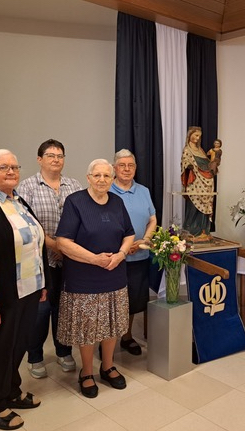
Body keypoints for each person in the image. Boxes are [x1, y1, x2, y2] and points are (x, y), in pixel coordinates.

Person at [0, 149, 48, 431]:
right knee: (2, 347)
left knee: (20, 343)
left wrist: (43, 283)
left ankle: (12, 391)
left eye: (15, 166)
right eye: (3, 167)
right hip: (5, 291)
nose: (11, 171)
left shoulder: (19, 200)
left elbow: (36, 244)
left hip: (30, 286)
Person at [56, 159, 135, 399]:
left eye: (106, 176)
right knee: (87, 329)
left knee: (112, 325)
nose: (102, 180)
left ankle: (108, 366)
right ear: (88, 177)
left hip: (114, 275)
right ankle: (87, 372)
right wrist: (94, 259)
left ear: (112, 179)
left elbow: (129, 234)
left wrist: (120, 255)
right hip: (84, 279)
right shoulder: (75, 202)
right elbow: (63, 242)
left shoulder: (117, 202)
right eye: (97, 175)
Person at [17, 139, 82, 378]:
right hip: (39, 261)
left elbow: (82, 219)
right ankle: (34, 357)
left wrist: (68, 248)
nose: (56, 159)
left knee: (64, 308)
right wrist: (55, 245)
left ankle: (64, 351)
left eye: (60, 155)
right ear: (39, 159)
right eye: (51, 155)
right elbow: (26, 224)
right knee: (40, 311)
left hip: (70, 260)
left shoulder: (74, 185)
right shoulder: (26, 187)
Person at [109, 149, 157, 356]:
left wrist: (145, 240)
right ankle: (106, 343)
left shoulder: (144, 191)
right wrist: (122, 248)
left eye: (131, 165)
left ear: (135, 168)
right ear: (114, 168)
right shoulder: (106, 189)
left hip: (139, 256)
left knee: (132, 300)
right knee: (111, 302)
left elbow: (153, 220)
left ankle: (126, 337)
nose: (127, 169)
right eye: (122, 165)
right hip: (114, 258)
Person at [181, 126, 214, 236]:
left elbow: (207, 164)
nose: (197, 138)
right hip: (194, 182)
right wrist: (188, 165)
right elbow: (184, 163)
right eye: (196, 135)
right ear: (190, 135)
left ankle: (203, 230)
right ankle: (191, 230)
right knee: (193, 206)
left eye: (199, 136)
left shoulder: (201, 150)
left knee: (204, 207)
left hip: (207, 182)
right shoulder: (187, 150)